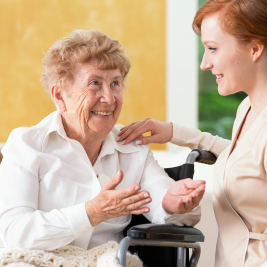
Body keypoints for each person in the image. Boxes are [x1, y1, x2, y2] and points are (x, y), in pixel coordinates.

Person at [118, 0, 267, 266]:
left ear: (255, 49)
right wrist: (173, 132)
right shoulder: (251, 107)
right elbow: (248, 159)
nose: (204, 63)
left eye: (212, 48)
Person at [0, 30, 205, 251]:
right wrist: (91, 212)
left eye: (115, 83)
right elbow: (14, 234)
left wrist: (173, 204)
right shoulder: (27, 145)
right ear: (60, 96)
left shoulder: (133, 148)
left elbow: (164, 204)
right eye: (95, 83)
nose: (108, 98)